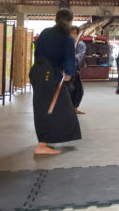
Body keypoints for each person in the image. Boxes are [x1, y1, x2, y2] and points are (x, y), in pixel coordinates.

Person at [29, 9, 81, 155]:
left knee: (48, 106)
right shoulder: (67, 37)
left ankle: (46, 140)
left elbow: (37, 51)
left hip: (37, 71)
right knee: (52, 107)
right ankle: (42, 145)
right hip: (49, 74)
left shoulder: (45, 32)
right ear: (71, 21)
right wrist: (69, 74)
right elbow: (69, 59)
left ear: (55, 19)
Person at [67, 26, 86, 115]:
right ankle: (67, 110)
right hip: (64, 70)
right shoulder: (64, 43)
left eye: (75, 33)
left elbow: (78, 57)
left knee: (79, 91)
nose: (73, 35)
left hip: (74, 70)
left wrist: (73, 56)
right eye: (71, 33)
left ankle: (74, 108)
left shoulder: (81, 44)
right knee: (68, 90)